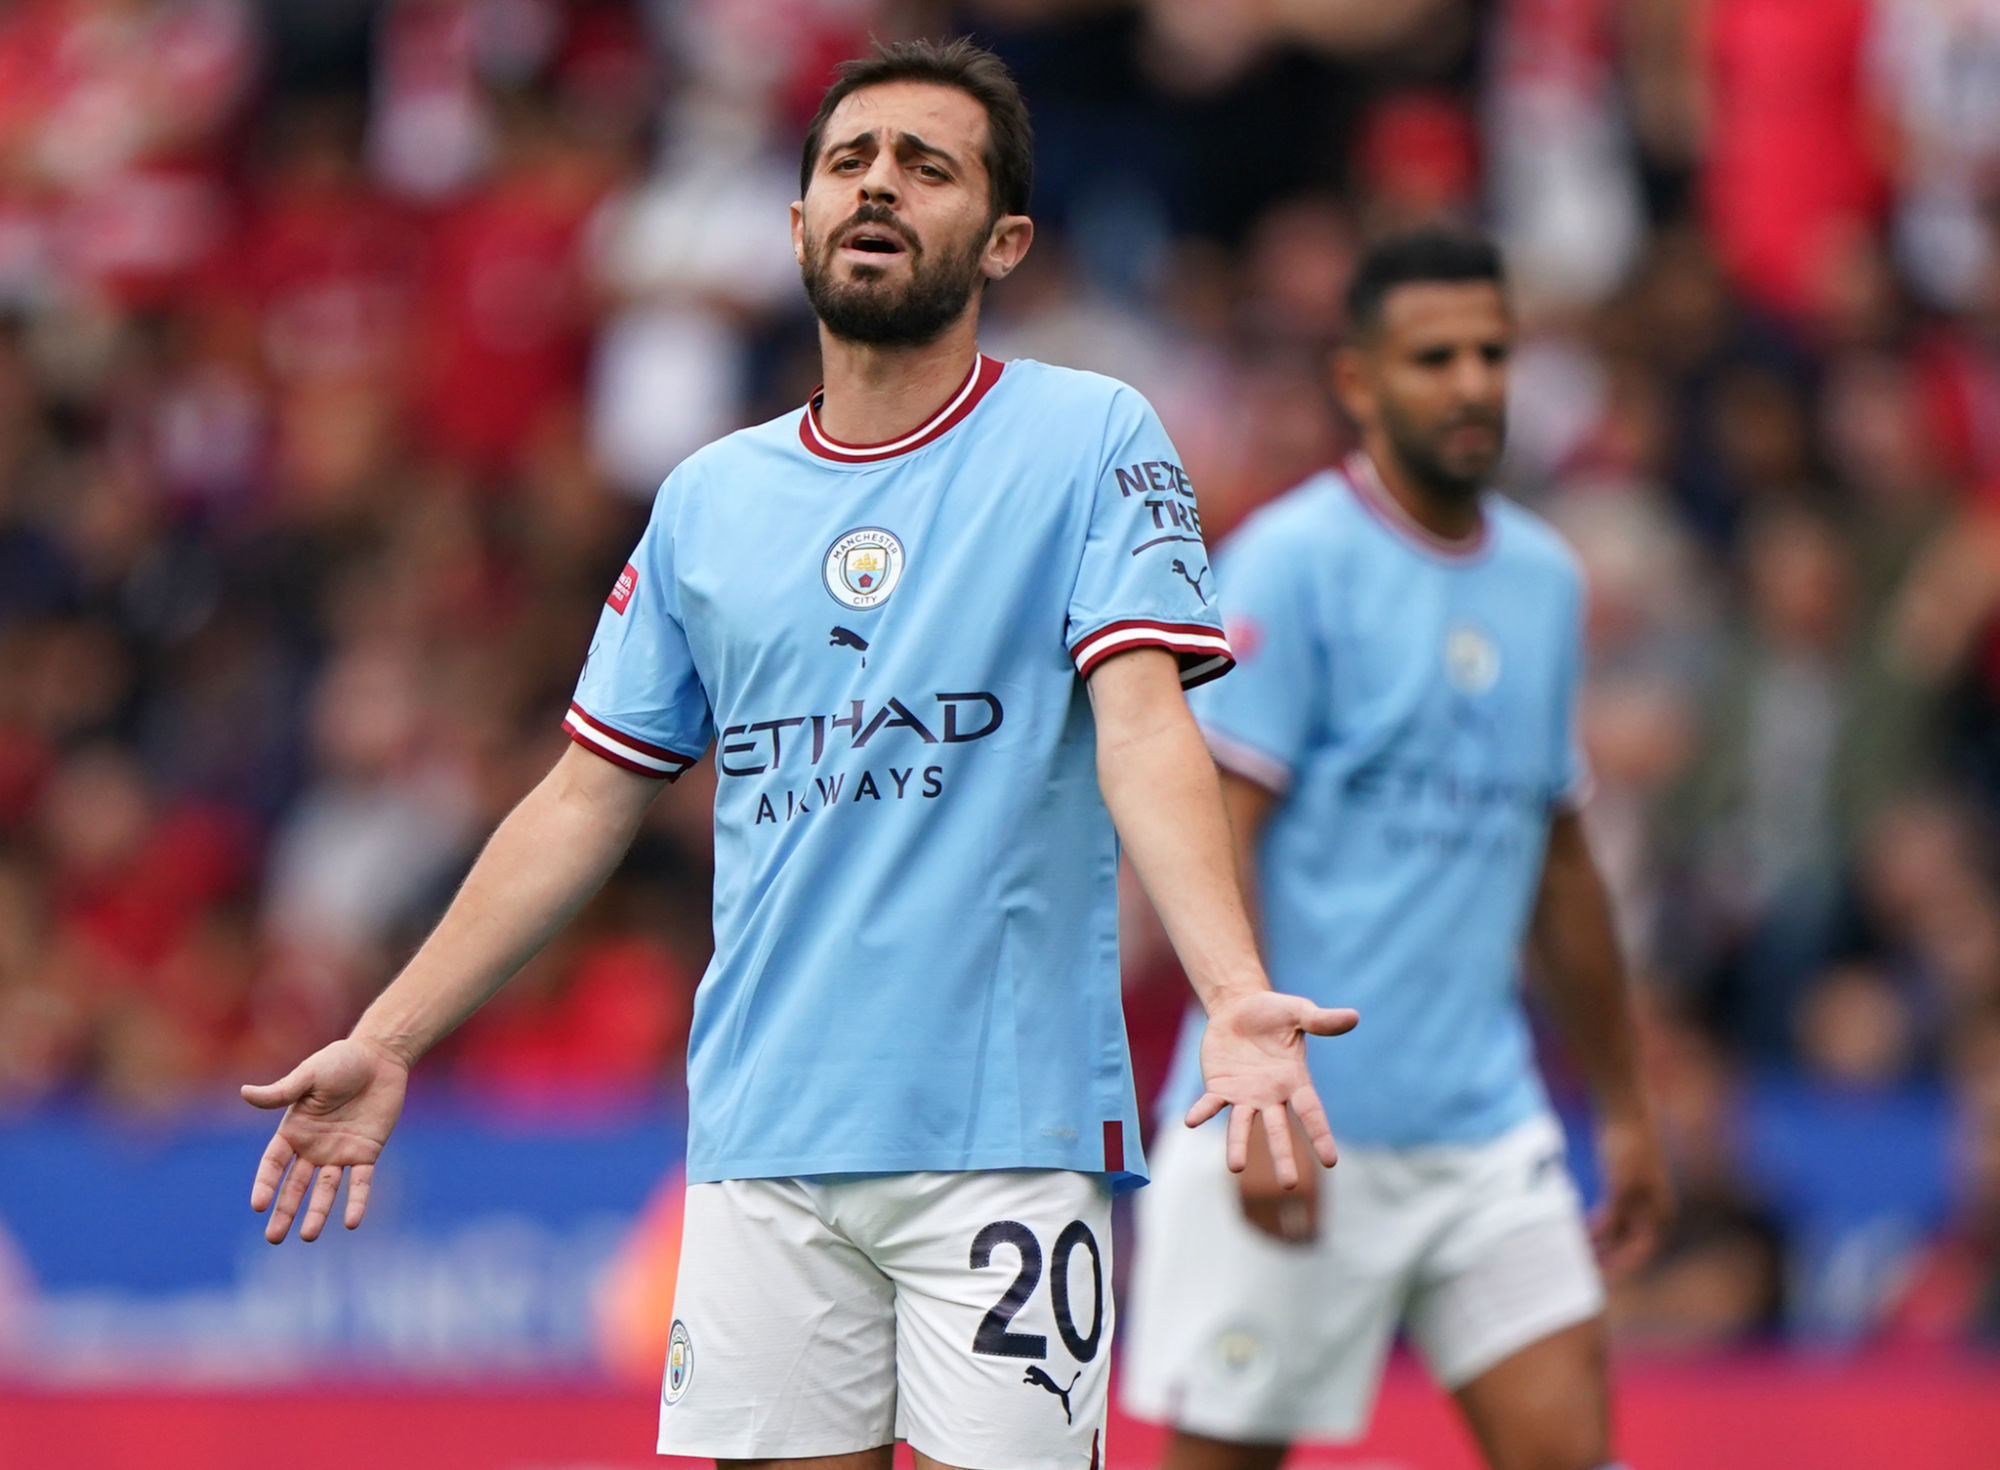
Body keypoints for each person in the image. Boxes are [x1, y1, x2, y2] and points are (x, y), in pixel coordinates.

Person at [239, 37, 1356, 1470]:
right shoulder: (709, 498)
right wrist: (389, 1035)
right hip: (763, 1134)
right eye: (849, 162)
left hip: (1003, 1134)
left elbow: (1144, 725)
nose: (878, 186)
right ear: (798, 222)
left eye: (927, 167)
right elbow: (582, 799)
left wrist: (1235, 993)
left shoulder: (1088, 437)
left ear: (1003, 239)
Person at [1122, 231, 1672, 1470]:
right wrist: (1259, 1091)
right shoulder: (1290, 562)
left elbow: (1558, 859)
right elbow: (1214, 830)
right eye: (1432, 358)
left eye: (1489, 353)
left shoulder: (1542, 579)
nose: (1469, 383)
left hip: (1481, 1129)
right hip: (1294, 1122)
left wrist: (1626, 1107)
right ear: (1357, 381)